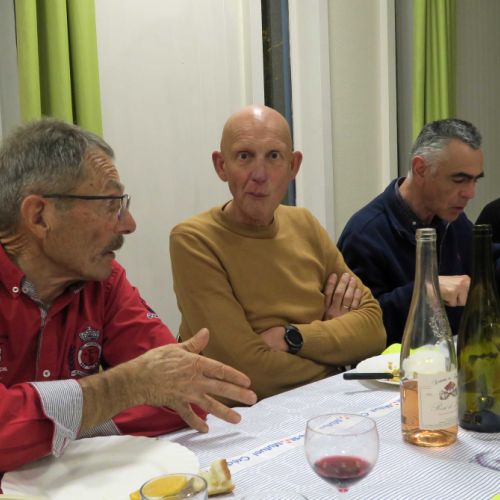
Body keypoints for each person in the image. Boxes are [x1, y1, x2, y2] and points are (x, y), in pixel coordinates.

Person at [0, 119, 257, 473]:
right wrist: (122, 389)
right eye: (110, 204)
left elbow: (184, 394)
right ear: (40, 216)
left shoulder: (102, 282)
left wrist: (54, 425)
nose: (128, 223)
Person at [169, 105, 386, 402]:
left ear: (293, 166)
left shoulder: (305, 224)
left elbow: (374, 330)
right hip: (244, 417)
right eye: (244, 156)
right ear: (221, 166)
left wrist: (291, 338)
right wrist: (335, 357)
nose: (260, 174)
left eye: (273, 156)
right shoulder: (194, 240)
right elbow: (245, 371)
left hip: (321, 405)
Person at [338, 118, 495, 346]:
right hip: (396, 365)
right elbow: (358, 327)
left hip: (451, 356)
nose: (470, 193)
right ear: (420, 169)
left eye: (474, 180)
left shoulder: (452, 220)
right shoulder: (365, 234)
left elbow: (488, 264)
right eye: (459, 180)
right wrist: (427, 291)